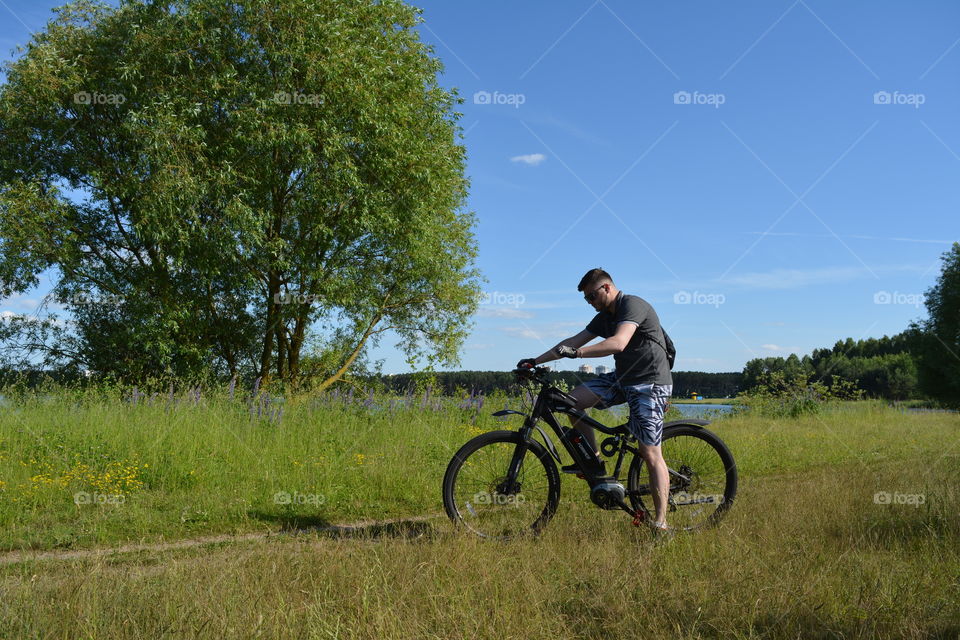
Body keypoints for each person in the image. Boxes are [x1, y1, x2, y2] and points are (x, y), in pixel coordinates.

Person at [516, 268, 674, 531]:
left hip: (650, 383)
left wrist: (577, 354)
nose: (590, 303)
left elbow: (618, 343)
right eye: (586, 299)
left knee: (649, 452)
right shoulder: (604, 316)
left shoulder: (632, 305)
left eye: (592, 296)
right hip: (623, 379)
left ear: (607, 288)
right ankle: (595, 463)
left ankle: (661, 523)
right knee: (570, 401)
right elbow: (572, 340)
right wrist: (535, 360)